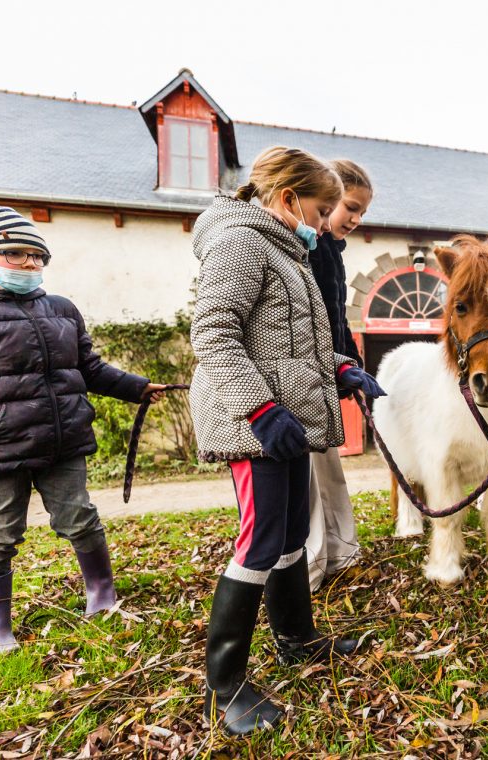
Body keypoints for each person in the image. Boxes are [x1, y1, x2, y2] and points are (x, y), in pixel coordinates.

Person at [0, 203, 166, 660]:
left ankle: (102, 594)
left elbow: (86, 367)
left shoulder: (60, 309)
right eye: (17, 255)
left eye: (38, 256)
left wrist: (136, 388)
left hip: (61, 441)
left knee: (80, 518)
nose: (31, 265)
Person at [189, 146, 379, 735]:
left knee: (294, 531)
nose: (326, 224)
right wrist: (260, 408)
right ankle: (226, 685)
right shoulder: (241, 243)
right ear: (289, 199)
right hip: (258, 426)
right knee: (262, 538)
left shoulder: (287, 251)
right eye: (323, 211)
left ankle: (297, 638)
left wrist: (341, 368)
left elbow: (295, 340)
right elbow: (213, 332)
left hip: (289, 422)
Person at [304, 159, 385, 591]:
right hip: (304, 379)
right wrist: (337, 367)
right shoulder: (308, 250)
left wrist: (353, 366)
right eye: (350, 208)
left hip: (328, 374)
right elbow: (307, 325)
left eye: (362, 213)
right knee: (311, 480)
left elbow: (336, 323)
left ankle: (341, 552)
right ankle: (312, 568)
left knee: (330, 468)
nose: (355, 219)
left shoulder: (333, 254)